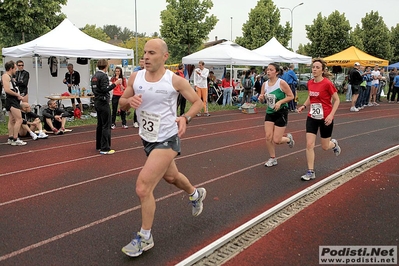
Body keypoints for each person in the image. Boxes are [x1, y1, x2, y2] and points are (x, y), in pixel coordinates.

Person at [118, 38, 205, 257]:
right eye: (145, 53)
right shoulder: (135, 77)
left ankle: (145, 238)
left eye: (152, 53)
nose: (146, 57)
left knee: (143, 187)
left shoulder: (174, 81)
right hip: (147, 139)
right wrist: (129, 103)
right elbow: (121, 102)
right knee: (172, 177)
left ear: (165, 57)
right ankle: (195, 194)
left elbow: (198, 103)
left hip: (167, 139)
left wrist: (185, 117)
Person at [297, 58, 341, 181]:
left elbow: (337, 100)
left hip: (325, 118)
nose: (314, 69)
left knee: (325, 147)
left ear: (322, 70)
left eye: (317, 67)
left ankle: (334, 144)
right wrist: (304, 106)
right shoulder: (310, 83)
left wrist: (331, 115)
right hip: (312, 117)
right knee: (309, 144)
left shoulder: (327, 83)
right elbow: (311, 97)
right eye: (313, 67)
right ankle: (310, 171)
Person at [258, 63, 295, 167]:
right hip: (270, 112)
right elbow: (262, 98)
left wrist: (280, 102)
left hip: (281, 112)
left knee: (277, 140)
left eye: (271, 70)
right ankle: (272, 158)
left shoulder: (281, 83)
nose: (268, 71)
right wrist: (261, 98)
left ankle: (288, 139)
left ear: (277, 72)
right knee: (268, 137)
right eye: (267, 69)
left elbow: (291, 96)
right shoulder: (264, 84)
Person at [91, 59, 120, 155]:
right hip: (103, 102)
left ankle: (99, 145)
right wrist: (115, 84)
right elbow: (105, 89)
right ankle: (105, 148)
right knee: (106, 125)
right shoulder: (103, 76)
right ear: (106, 66)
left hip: (97, 101)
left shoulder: (94, 76)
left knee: (100, 124)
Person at [2, 60, 27, 146]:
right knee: (19, 119)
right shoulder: (5, 76)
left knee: (12, 119)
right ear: (10, 68)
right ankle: (15, 138)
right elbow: (7, 89)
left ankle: (11, 137)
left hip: (13, 100)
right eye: (15, 68)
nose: (16, 70)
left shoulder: (10, 76)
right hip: (12, 100)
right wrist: (17, 95)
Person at [132, 57, 145, 128]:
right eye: (141, 62)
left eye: (143, 62)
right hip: (138, 89)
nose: (142, 63)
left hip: (145, 89)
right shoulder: (137, 70)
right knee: (137, 105)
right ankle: (135, 121)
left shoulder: (147, 69)